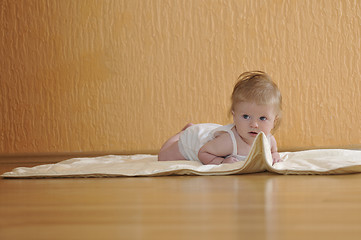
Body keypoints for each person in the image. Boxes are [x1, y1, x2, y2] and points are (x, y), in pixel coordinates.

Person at [158, 71, 282, 165]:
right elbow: (203, 152)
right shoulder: (228, 141)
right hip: (195, 141)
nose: (254, 124)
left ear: (274, 121)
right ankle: (182, 132)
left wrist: (275, 154)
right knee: (163, 157)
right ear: (234, 116)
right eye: (246, 116)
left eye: (263, 118)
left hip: (213, 135)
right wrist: (221, 162)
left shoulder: (268, 138)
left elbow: (273, 150)